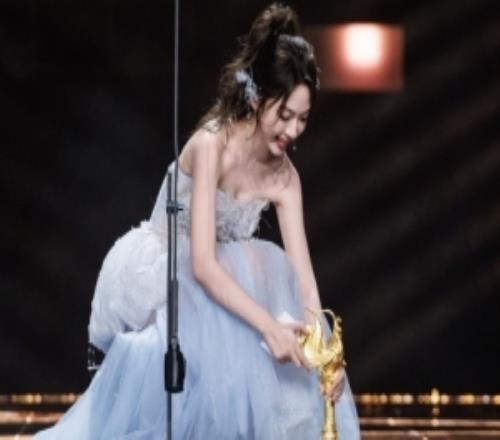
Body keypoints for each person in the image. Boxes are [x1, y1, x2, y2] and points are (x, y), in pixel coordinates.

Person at [35, 3, 360, 439]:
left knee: (272, 280)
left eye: (303, 119)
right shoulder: (212, 146)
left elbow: (304, 282)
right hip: (169, 276)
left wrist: (327, 358)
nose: (293, 130)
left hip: (222, 292)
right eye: (284, 115)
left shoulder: (285, 178)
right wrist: (268, 326)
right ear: (255, 98)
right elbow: (202, 265)